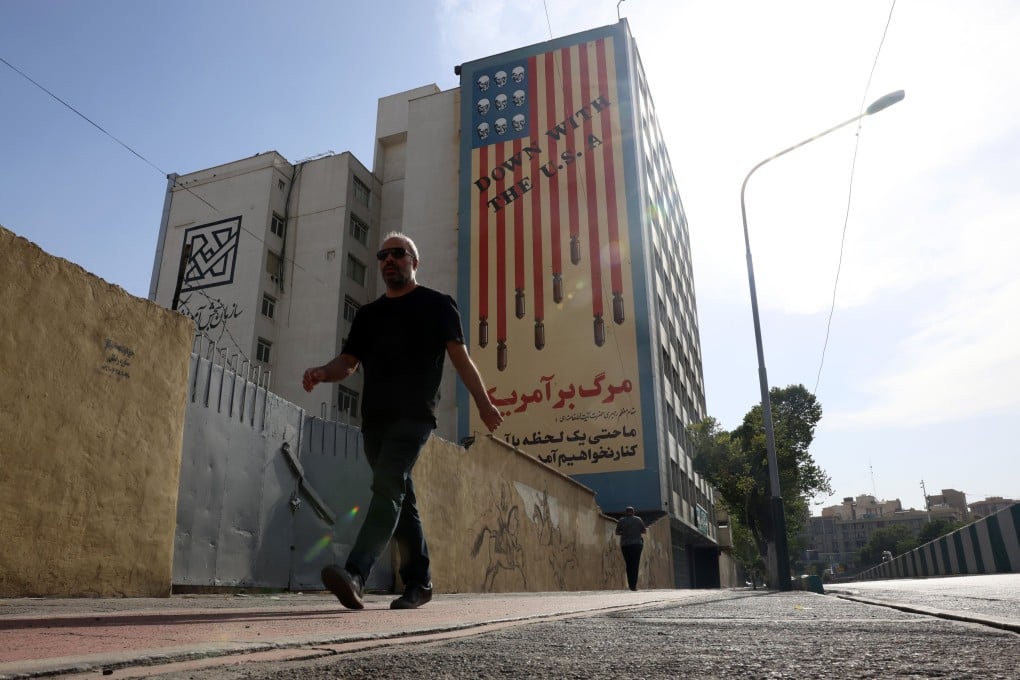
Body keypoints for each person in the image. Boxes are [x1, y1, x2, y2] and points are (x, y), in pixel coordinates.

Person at [302, 232, 503, 610]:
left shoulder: (438, 305)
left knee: (388, 486)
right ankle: (419, 582)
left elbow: (461, 359)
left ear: (414, 261)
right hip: (374, 421)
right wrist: (323, 373)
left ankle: (356, 573)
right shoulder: (368, 315)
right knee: (399, 496)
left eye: (398, 253)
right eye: (383, 256)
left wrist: (483, 403)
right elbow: (348, 363)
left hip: (414, 416)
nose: (389, 260)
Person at [615, 506, 646, 591]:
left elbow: (617, 532)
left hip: (625, 545)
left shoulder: (621, 520)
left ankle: (630, 584)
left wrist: (624, 533)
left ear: (625, 512)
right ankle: (634, 586)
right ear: (633, 512)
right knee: (635, 565)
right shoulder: (638, 519)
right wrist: (636, 531)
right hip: (637, 544)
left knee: (628, 565)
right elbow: (644, 531)